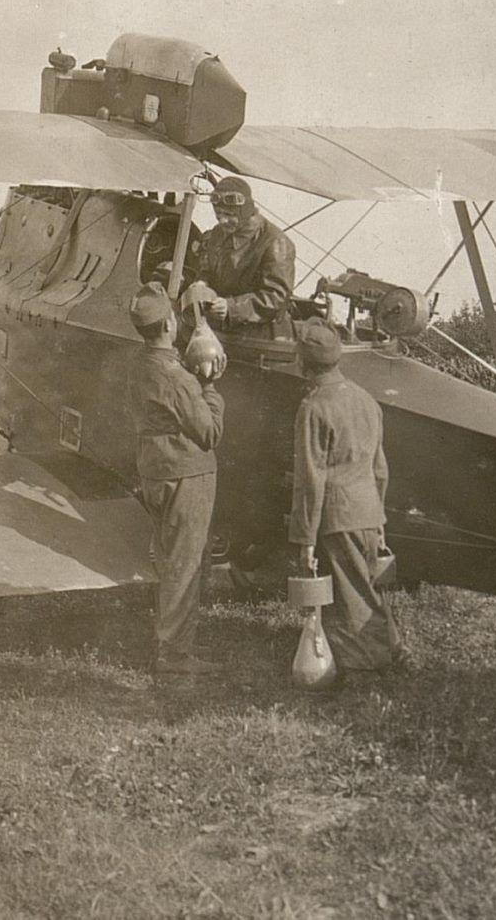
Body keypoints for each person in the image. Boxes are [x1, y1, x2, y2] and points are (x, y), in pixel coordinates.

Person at [288, 319, 403, 674]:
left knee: (353, 596)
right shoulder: (366, 399)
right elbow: (380, 468)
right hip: (367, 509)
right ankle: (389, 649)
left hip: (338, 516)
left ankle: (368, 665)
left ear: (304, 363)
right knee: (366, 586)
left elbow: (310, 479)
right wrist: (378, 517)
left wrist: (305, 539)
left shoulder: (313, 407)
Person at [128, 282, 226, 677]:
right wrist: (210, 387)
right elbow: (209, 433)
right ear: (169, 324)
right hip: (186, 476)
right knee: (185, 565)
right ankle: (175, 656)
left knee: (170, 559)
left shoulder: (139, 365)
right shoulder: (178, 379)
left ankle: (169, 638)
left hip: (154, 470)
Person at [186, 175, 296, 340]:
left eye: (229, 215)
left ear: (245, 211)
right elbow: (207, 267)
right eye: (218, 215)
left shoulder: (276, 242)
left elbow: (276, 297)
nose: (223, 221)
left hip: (259, 334)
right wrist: (202, 283)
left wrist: (232, 308)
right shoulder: (218, 233)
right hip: (219, 327)